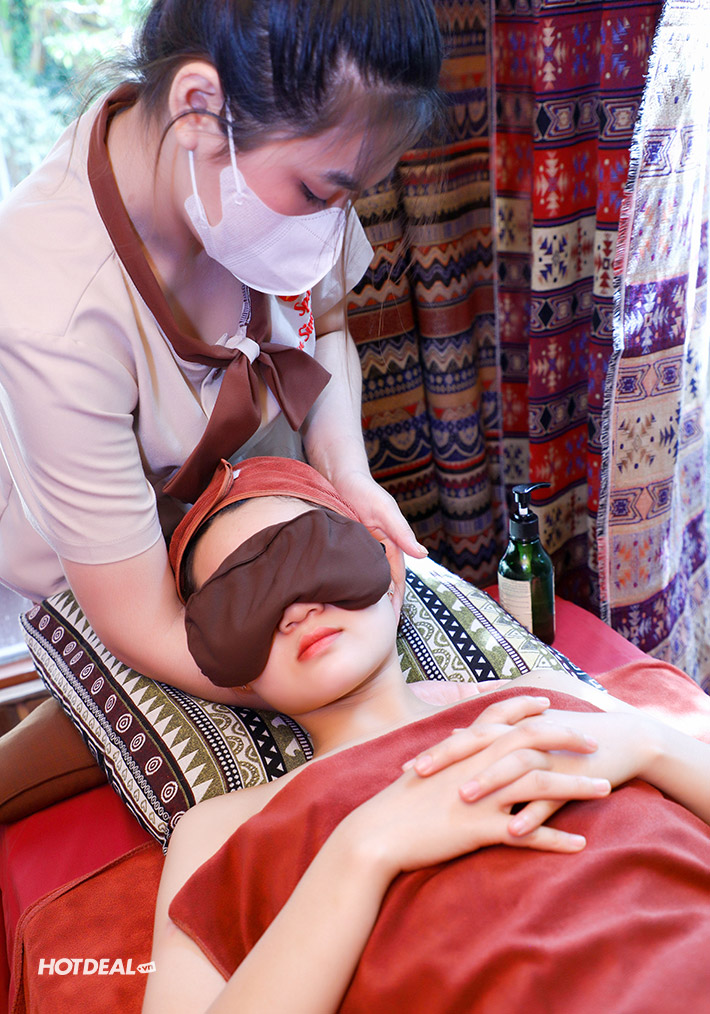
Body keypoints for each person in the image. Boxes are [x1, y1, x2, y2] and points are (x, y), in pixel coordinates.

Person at [142, 457, 710, 1014]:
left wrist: (647, 744)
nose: (297, 610)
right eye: (241, 603)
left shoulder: (544, 690)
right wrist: (362, 849)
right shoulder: (217, 828)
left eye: (314, 554)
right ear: (228, 667)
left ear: (387, 569)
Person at [0, 0, 442, 704]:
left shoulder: (274, 180)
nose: (331, 226)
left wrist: (345, 473)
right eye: (316, 193)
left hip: (259, 518)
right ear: (200, 109)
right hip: (114, 586)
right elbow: (143, 623)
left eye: (346, 197)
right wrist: (346, 692)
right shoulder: (52, 312)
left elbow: (324, 325)